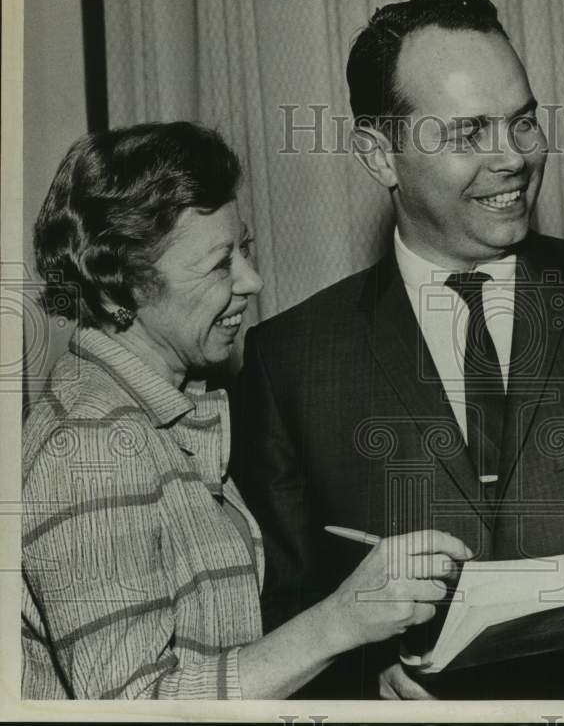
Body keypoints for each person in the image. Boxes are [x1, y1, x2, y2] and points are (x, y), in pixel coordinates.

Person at [232, 0, 564, 700]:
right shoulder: (288, 361)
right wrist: (367, 677)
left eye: (523, 122)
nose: (513, 157)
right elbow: (286, 614)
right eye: (468, 133)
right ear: (379, 156)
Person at [22, 121, 473, 699]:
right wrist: (340, 622)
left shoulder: (170, 414)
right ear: (118, 289)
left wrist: (360, 666)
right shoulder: (90, 449)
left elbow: (219, 659)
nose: (252, 281)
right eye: (219, 265)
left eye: (246, 249)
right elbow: (132, 709)